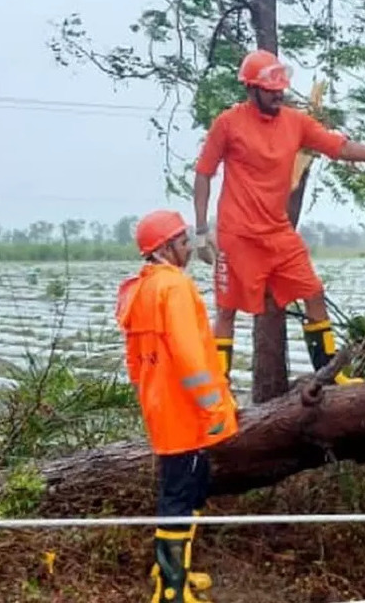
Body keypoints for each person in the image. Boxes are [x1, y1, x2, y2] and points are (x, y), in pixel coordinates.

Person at [191, 49, 365, 386]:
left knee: (313, 292)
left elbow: (341, 148)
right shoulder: (228, 123)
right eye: (270, 90)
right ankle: (220, 389)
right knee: (227, 310)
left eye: (281, 89)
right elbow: (204, 173)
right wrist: (202, 232)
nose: (279, 95)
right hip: (238, 234)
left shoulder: (295, 122)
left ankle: (331, 375)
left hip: (278, 232)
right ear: (251, 88)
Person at [115, 209, 239, 603]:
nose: (188, 247)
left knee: (186, 489)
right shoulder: (175, 288)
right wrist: (215, 410)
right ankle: (170, 591)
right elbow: (191, 360)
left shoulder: (139, 288)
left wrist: (154, 396)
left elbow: (134, 363)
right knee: (178, 498)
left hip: (162, 406)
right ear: (165, 248)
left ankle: (173, 573)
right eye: (183, 241)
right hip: (185, 413)